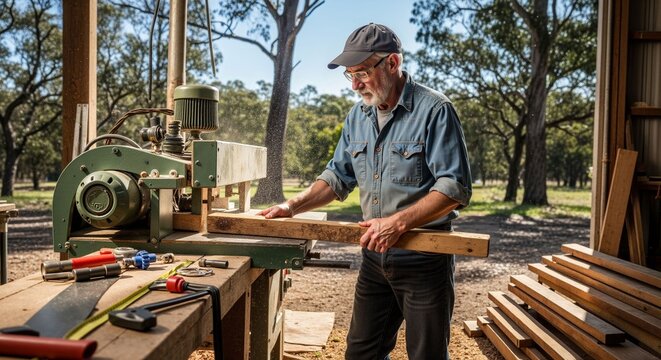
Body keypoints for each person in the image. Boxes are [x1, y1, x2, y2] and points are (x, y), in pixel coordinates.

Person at [258, 23, 472, 359]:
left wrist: (397, 223)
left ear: (392, 63)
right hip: (375, 260)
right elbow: (337, 177)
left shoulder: (435, 110)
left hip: (424, 257)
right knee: (360, 354)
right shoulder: (357, 116)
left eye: (361, 73)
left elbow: (454, 188)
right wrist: (292, 206)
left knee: (426, 355)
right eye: (350, 75)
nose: (355, 85)